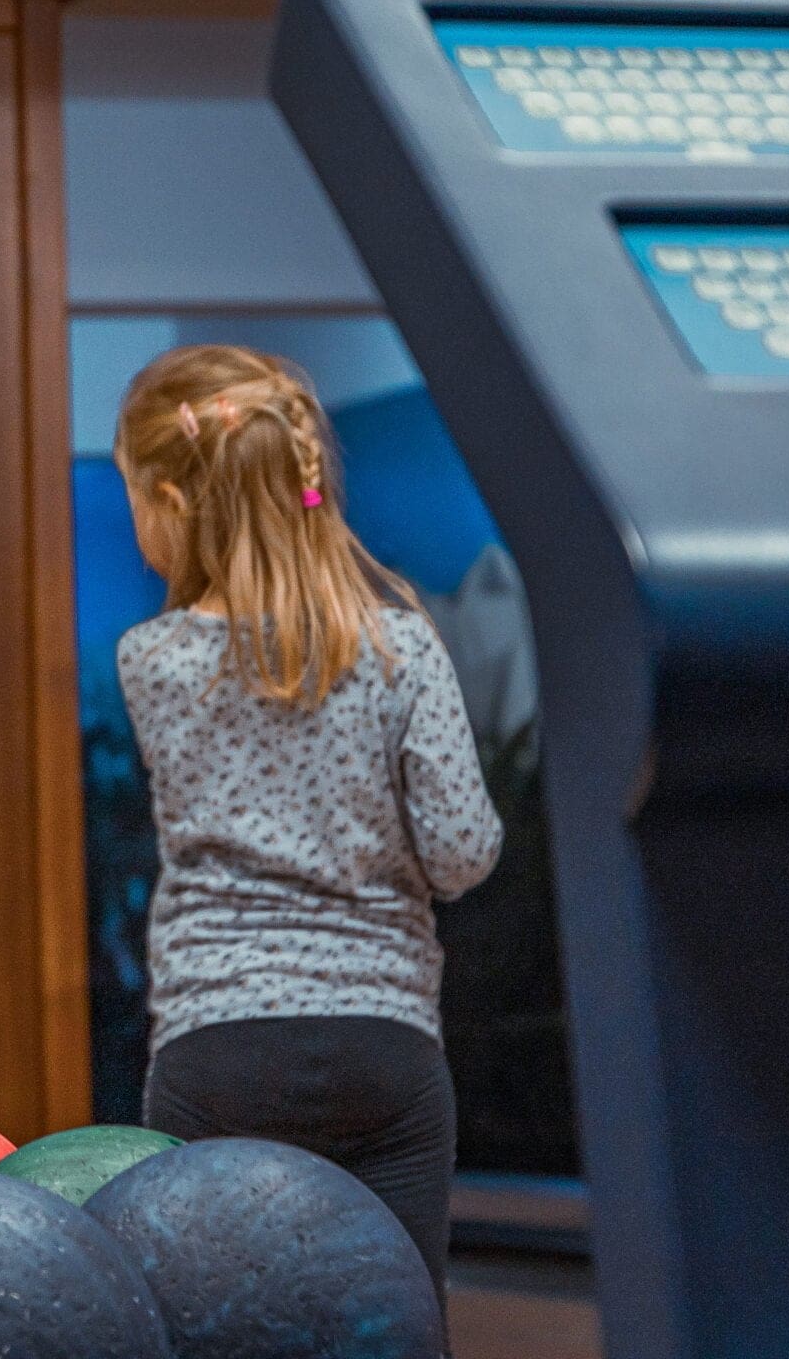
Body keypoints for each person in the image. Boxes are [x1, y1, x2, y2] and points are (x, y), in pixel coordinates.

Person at [111, 344, 501, 1306]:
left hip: (218, 1052)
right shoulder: (402, 647)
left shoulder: (154, 659)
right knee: (395, 1319)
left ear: (171, 500)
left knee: (224, 1322)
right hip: (385, 1048)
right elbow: (462, 852)